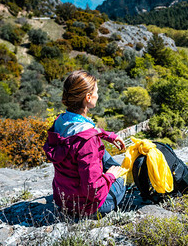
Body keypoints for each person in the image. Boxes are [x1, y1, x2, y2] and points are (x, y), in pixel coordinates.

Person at [43, 70, 126, 216]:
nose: (98, 95)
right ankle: (116, 176)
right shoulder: (88, 141)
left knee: (100, 149)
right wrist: (111, 176)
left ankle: (109, 172)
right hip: (89, 206)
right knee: (121, 173)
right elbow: (93, 190)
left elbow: (83, 132)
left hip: (63, 200)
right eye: (96, 92)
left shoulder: (60, 122)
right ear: (88, 97)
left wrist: (108, 136)